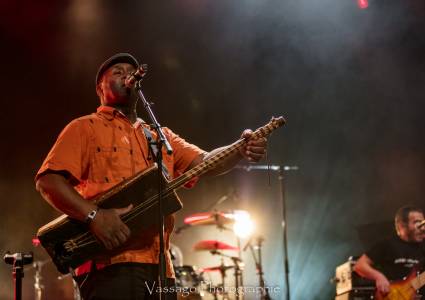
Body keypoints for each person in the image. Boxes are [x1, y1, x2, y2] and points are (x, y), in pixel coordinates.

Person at [35, 53, 268, 300]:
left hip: (161, 269)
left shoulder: (160, 136)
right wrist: (94, 216)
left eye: (131, 71)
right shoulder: (84, 128)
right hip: (110, 265)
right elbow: (48, 181)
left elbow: (206, 162)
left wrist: (239, 149)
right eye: (118, 72)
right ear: (99, 88)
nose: (127, 75)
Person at [354, 205, 425, 297]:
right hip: (390, 295)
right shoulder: (387, 244)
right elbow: (360, 265)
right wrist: (379, 277)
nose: (422, 228)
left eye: (423, 224)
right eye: (417, 223)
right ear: (402, 226)